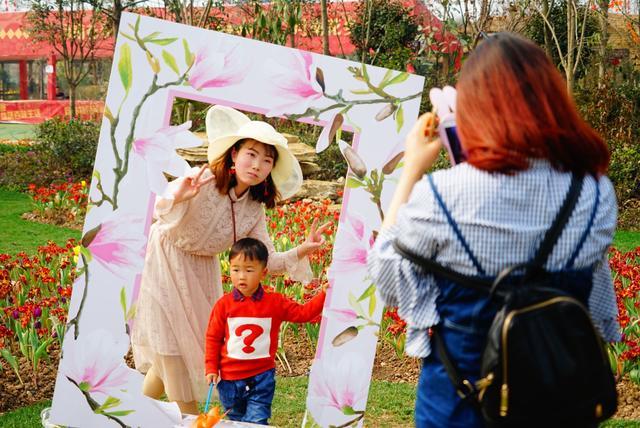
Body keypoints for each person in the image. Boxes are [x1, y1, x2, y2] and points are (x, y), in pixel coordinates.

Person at [367, 32, 619, 427]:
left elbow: (385, 274)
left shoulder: (443, 193)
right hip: (557, 401)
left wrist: (413, 168)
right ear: (551, 101)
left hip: (460, 404)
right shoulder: (594, 192)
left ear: (473, 109)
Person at [131, 105, 330, 415]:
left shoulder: (253, 208)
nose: (258, 164)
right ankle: (193, 419)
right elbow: (157, 210)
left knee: (184, 351)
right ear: (234, 154)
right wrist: (177, 196)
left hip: (202, 270)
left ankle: (131, 415)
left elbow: (268, 262)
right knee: (171, 350)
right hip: (165, 259)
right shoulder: (204, 179)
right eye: (252, 154)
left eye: (267, 160)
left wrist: (302, 249)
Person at [204, 237, 327, 425]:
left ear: (263, 273)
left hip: (261, 379)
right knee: (235, 421)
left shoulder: (275, 303)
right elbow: (213, 338)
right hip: (230, 380)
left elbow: (303, 313)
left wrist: (324, 294)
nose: (241, 276)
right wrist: (211, 368)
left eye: (249, 270)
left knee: (256, 421)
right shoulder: (224, 305)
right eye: (236, 270)